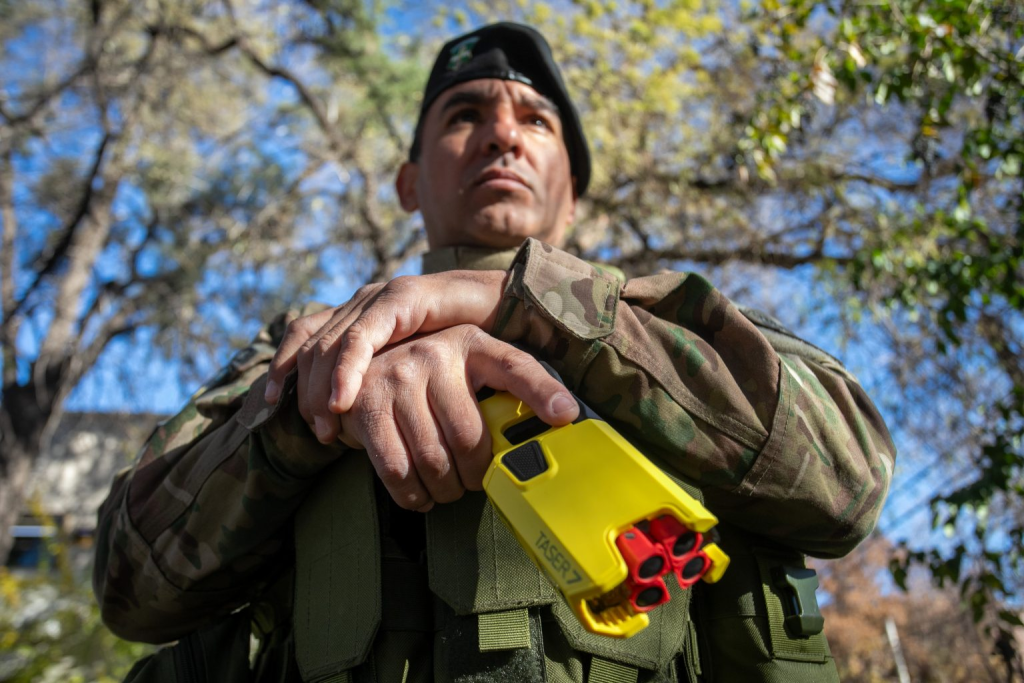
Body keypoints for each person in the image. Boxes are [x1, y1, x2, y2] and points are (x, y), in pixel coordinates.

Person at [93, 22, 895, 683]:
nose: (503, 135)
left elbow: (851, 478)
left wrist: (529, 302)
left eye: (536, 121)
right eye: (464, 114)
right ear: (409, 184)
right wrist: (318, 405)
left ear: (571, 193)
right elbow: (127, 583)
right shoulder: (304, 345)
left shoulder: (673, 327)